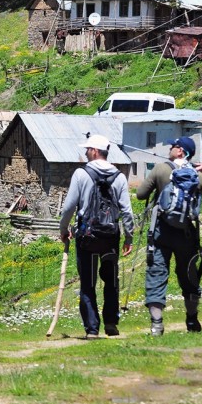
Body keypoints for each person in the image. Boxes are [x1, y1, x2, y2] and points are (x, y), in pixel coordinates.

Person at [59, 134, 135, 339]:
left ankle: (92, 329)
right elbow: (127, 211)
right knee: (111, 280)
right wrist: (129, 237)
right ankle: (111, 323)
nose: (85, 153)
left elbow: (69, 207)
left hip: (87, 237)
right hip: (110, 237)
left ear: (94, 151)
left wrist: (63, 229)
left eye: (87, 150)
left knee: (88, 282)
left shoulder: (81, 174)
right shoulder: (119, 177)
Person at [136, 136, 202, 336]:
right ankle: (192, 320)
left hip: (162, 232)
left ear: (181, 151)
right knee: (189, 275)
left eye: (174, 146)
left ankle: (157, 324)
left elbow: (140, 194)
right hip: (187, 234)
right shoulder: (196, 175)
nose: (170, 149)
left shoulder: (161, 169)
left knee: (157, 274)